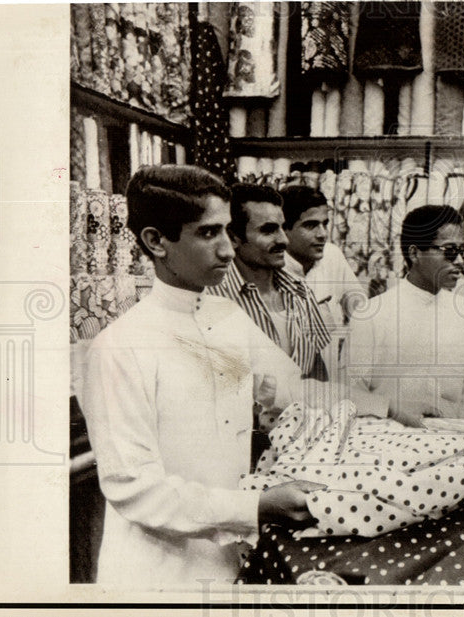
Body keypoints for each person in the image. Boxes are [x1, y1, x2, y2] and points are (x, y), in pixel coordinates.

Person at [80, 165, 323, 588]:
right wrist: (257, 507)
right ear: (156, 241)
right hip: (157, 576)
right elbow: (136, 490)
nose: (228, 251)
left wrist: (386, 406)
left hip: (231, 562)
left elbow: (289, 389)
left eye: (228, 231)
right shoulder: (118, 348)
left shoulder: (227, 318)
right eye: (208, 233)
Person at [345, 205, 464, 427]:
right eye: (449, 251)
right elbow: (351, 394)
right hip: (386, 442)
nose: (459, 260)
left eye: (462, 251)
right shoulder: (371, 314)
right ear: (414, 253)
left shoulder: (463, 310)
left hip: (453, 442)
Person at [208, 184, 331, 381]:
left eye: (282, 227)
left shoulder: (300, 291)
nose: (283, 240)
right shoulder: (213, 299)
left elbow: (316, 367)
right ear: (233, 238)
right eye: (269, 230)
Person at [280, 185, 365, 384]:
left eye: (325, 224)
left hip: (332, 385)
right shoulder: (270, 268)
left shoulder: (332, 255)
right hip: (289, 390)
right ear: (284, 229)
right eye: (310, 225)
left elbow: (360, 310)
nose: (322, 234)